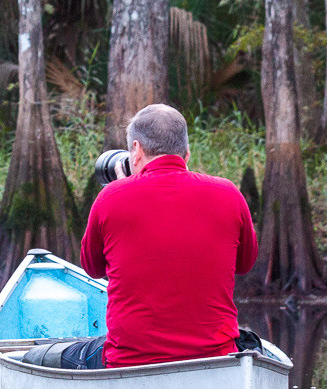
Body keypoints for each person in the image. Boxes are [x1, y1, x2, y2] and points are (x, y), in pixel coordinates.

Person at [62, 103, 257, 370]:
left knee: (48, 356)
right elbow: (244, 264)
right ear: (187, 153)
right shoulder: (228, 193)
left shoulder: (111, 197)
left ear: (136, 149)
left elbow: (92, 268)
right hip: (216, 356)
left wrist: (119, 187)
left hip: (129, 359)